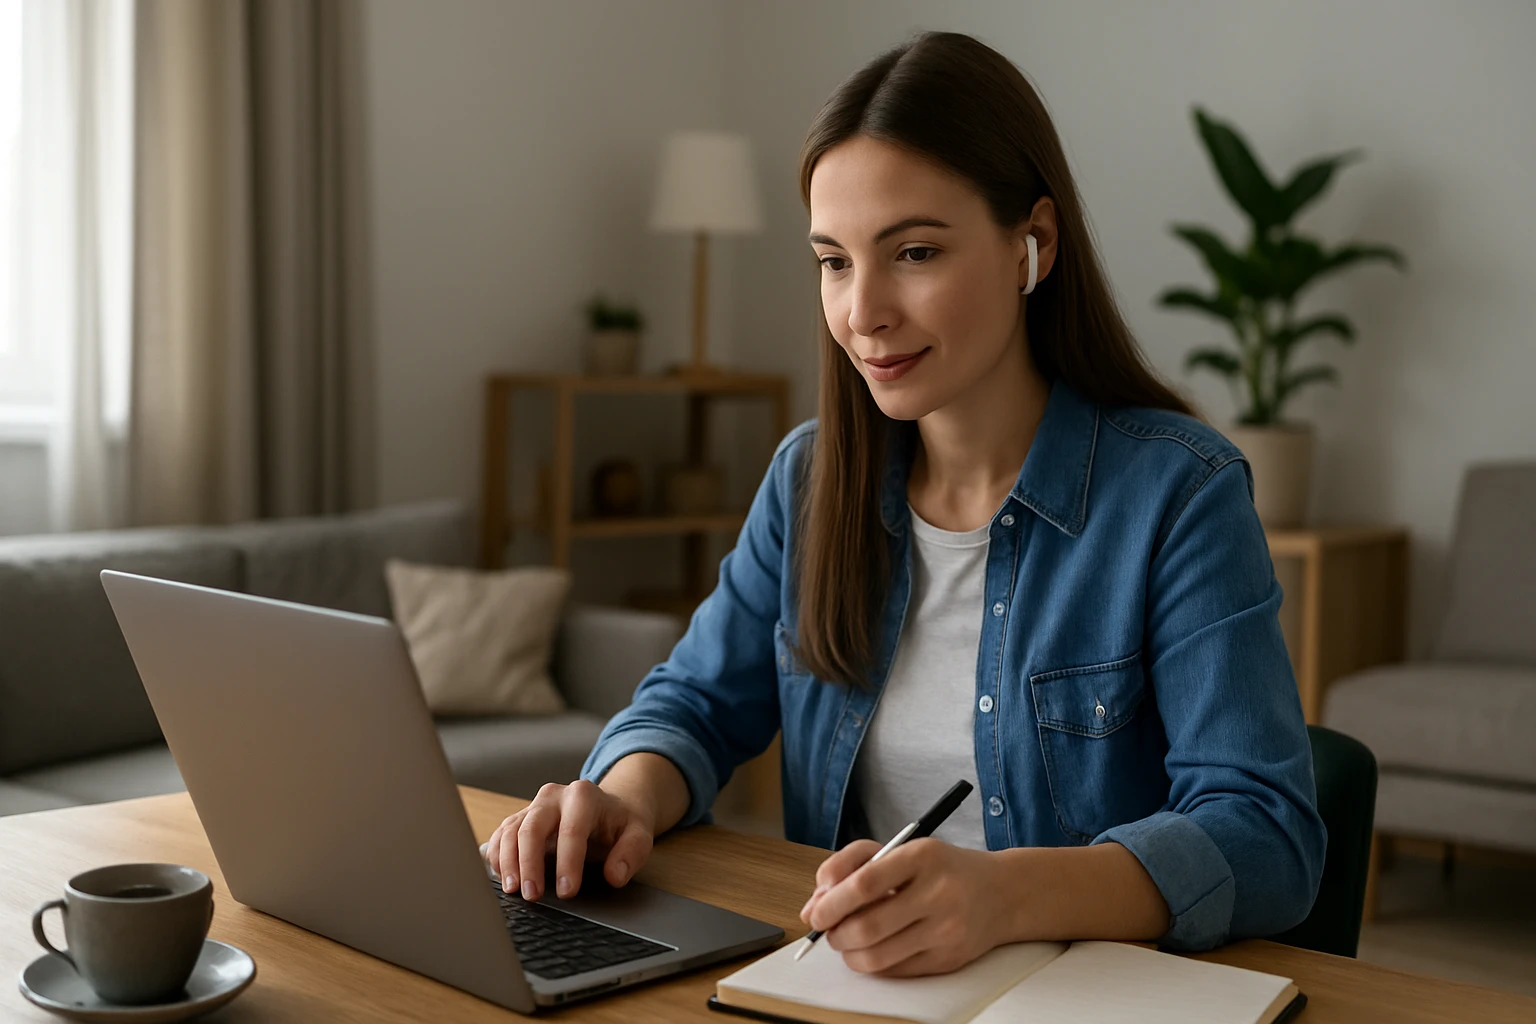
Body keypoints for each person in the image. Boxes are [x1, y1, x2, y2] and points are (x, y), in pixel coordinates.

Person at [483, 29, 1325, 978]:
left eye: (914, 252)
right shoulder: (810, 480)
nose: (863, 312)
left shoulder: (1179, 492)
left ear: (1033, 245)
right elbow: (696, 703)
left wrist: (1003, 895)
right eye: (834, 261)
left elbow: (1266, 834)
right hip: (854, 987)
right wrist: (622, 799)